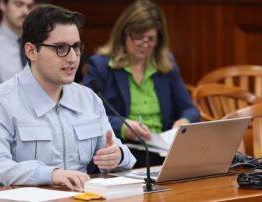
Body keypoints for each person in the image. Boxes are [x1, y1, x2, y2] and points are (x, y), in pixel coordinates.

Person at [0, 4, 136, 191]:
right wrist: (50, 174)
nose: (73, 58)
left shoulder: (89, 98)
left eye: (76, 47)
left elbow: (121, 154)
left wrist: (118, 156)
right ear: (31, 51)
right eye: (61, 48)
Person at [83, 0, 200, 167]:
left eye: (151, 39)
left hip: (163, 151)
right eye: (139, 38)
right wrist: (123, 127)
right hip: (123, 152)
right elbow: (86, 115)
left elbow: (190, 109)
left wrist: (184, 122)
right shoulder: (101, 66)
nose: (145, 44)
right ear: (124, 34)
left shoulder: (166, 65)